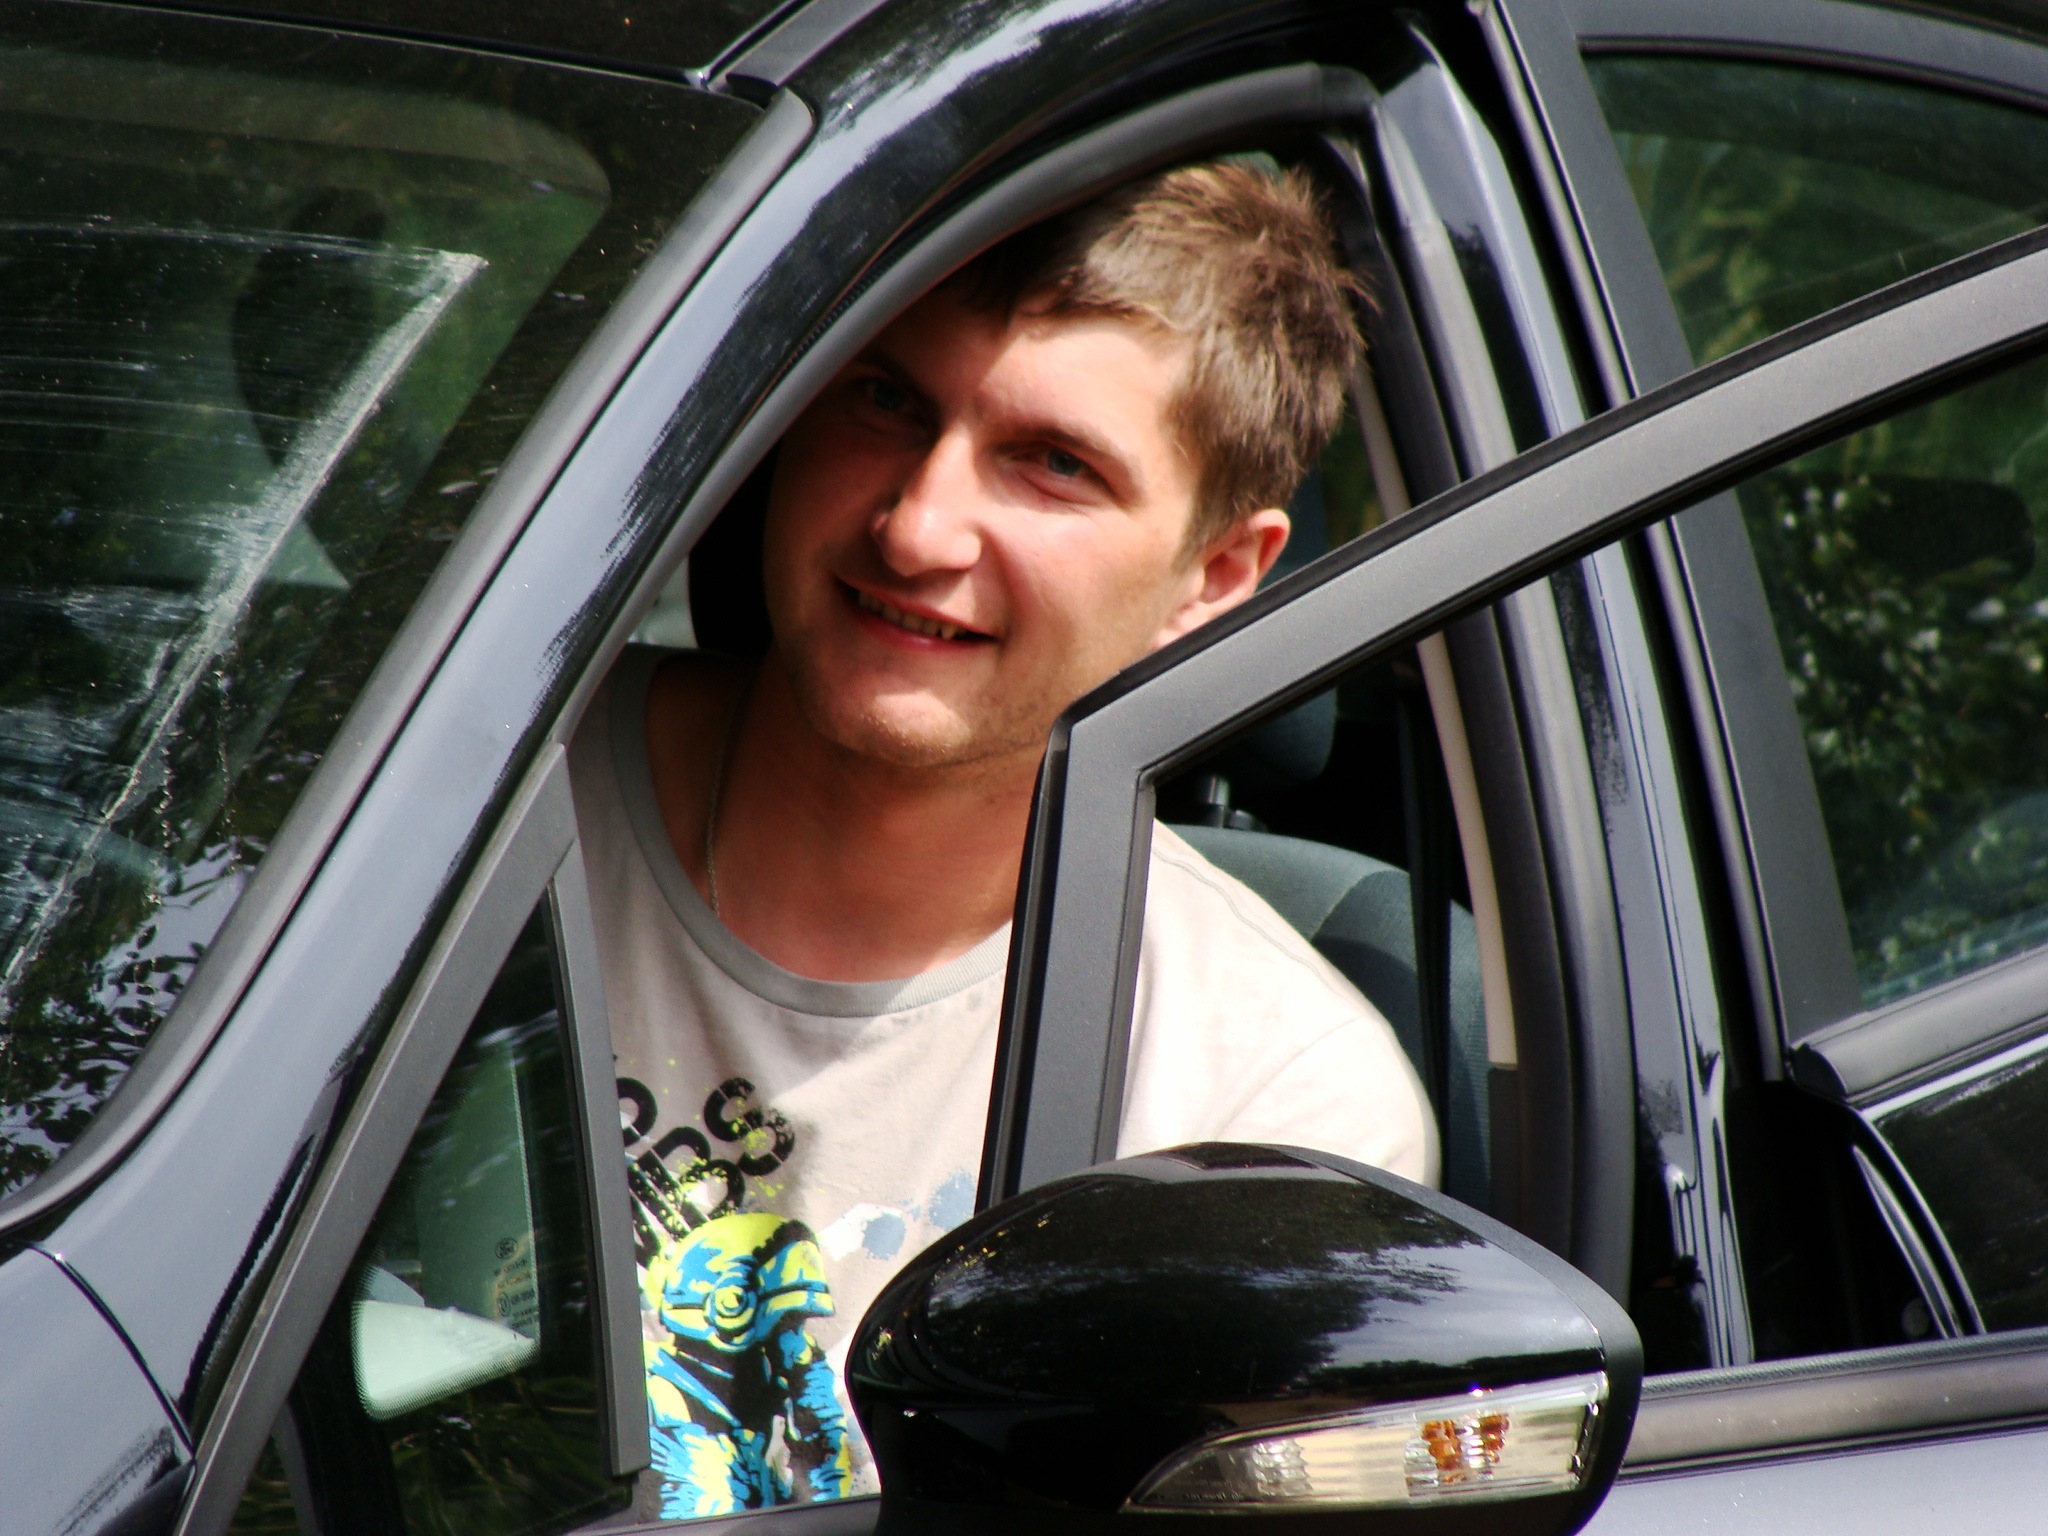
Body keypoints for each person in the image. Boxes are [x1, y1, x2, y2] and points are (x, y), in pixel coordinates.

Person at [569, 160, 1438, 1520]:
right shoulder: (476, 803)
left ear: (1217, 575)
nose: (916, 527)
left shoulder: (1268, 1111)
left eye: (1053, 464)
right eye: (885, 399)